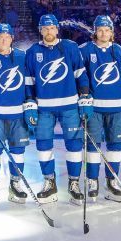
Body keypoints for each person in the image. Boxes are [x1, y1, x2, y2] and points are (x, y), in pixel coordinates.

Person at [23, 14, 91, 204]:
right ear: (40, 30)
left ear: (57, 29)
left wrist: (85, 96)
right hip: (44, 108)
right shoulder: (32, 51)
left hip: (69, 106)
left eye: (52, 28)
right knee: (44, 145)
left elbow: (80, 74)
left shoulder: (70, 47)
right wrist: (30, 103)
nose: (49, 31)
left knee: (74, 145)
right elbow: (29, 82)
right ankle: (49, 183)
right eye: (45, 28)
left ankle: (74, 183)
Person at [79, 15, 121, 202]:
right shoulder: (84, 50)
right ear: (95, 31)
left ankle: (112, 180)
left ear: (112, 32)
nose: (103, 33)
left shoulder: (120, 51)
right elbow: (79, 77)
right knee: (93, 146)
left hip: (116, 108)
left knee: (115, 146)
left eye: (107, 30)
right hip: (94, 109)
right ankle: (92, 180)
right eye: (100, 29)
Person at [0, 23, 33, 203]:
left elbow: (27, 83)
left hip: (18, 115)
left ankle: (15, 183)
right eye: (0, 36)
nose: (4, 39)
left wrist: (30, 103)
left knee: (18, 151)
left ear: (12, 38)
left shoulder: (21, 56)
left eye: (7, 36)